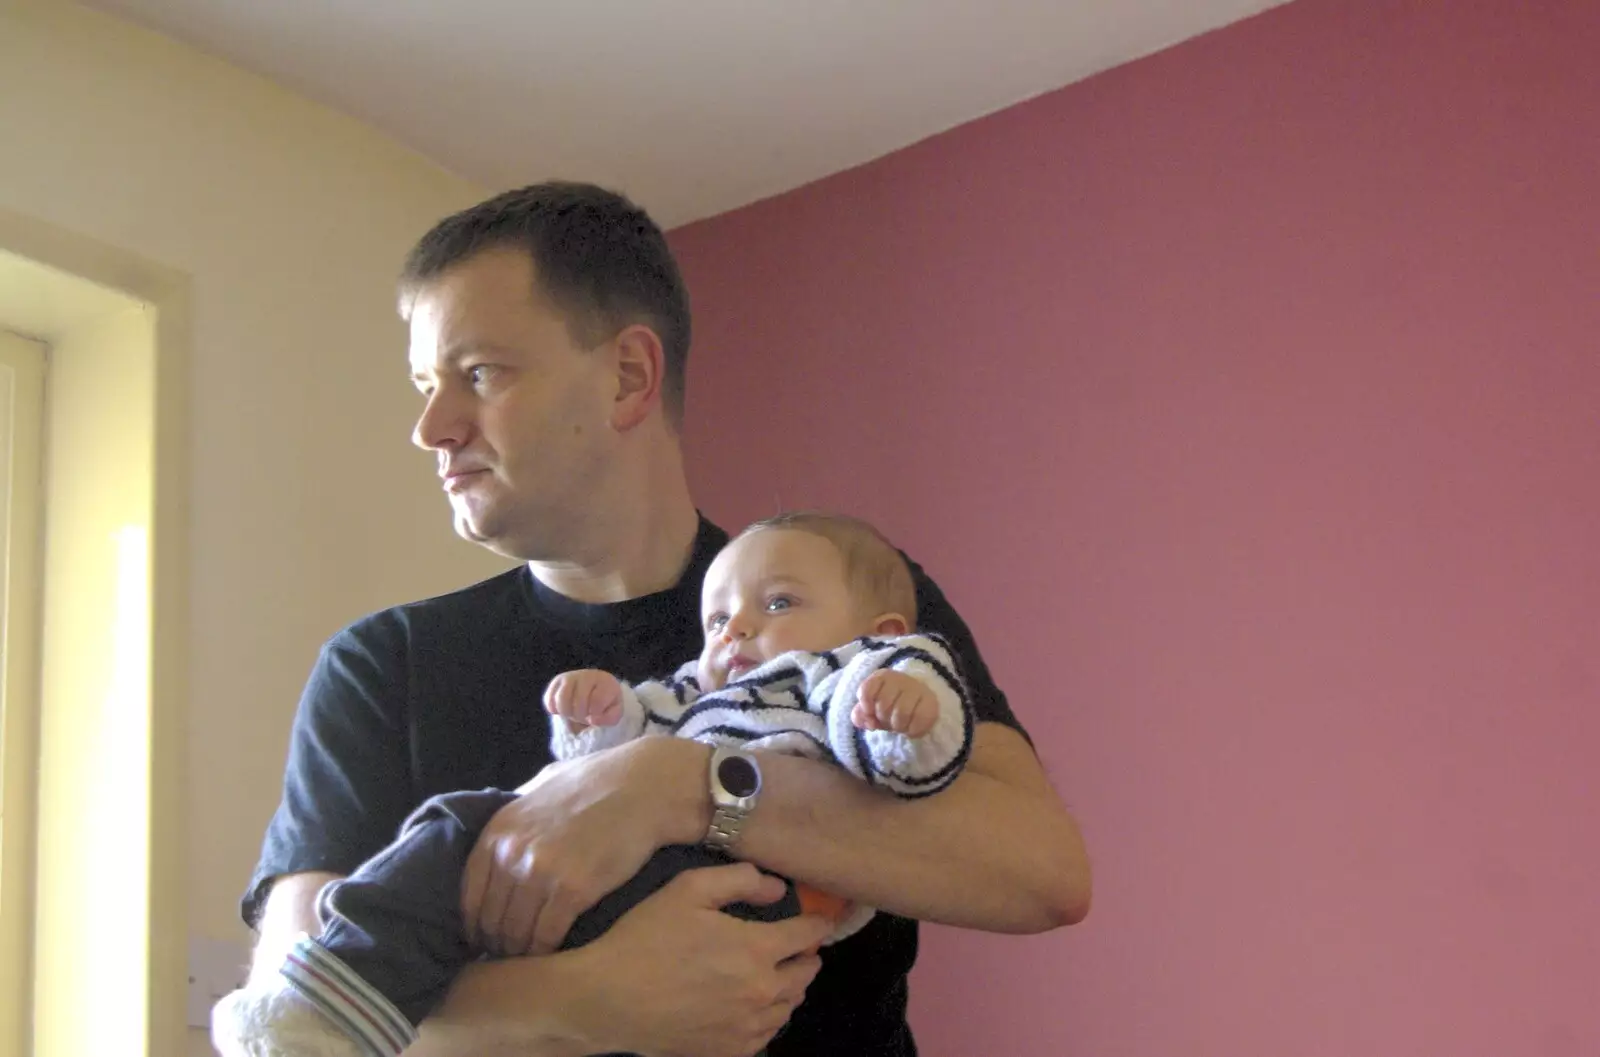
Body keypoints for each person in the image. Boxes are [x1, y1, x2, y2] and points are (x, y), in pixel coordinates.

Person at [233, 180, 1092, 1057]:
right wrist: (578, 1000)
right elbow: (291, 1017)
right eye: (425, 383)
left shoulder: (836, 601)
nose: (431, 426)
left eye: (480, 373)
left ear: (628, 377)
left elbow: (1041, 874)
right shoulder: (384, 667)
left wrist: (676, 783)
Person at [213, 512, 976, 1057]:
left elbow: (923, 769)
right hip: (636, 876)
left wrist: (905, 713)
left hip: (749, 889)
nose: (736, 629)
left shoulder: (849, 677)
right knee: (454, 824)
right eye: (716, 620)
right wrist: (600, 721)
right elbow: (605, 762)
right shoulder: (696, 694)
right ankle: (327, 993)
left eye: (776, 604)